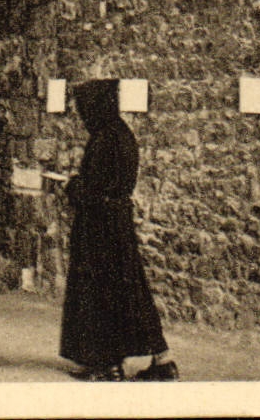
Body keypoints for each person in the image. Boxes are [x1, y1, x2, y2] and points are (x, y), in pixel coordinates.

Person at [58, 78, 179, 381]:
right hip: (117, 223)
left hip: (101, 227)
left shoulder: (104, 139)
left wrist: (71, 185)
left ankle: (107, 363)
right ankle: (162, 361)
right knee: (130, 290)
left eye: (85, 109)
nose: (83, 116)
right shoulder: (122, 134)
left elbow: (94, 190)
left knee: (102, 292)